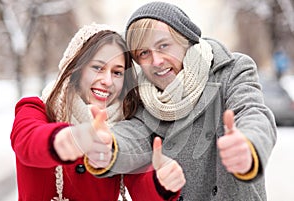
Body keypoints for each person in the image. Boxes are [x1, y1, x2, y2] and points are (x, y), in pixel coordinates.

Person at [84, 2, 277, 201]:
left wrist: (247, 143)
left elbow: (253, 112)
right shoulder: (145, 96)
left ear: (186, 40)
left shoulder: (231, 70)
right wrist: (108, 147)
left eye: (163, 46)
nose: (156, 61)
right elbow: (133, 136)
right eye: (144, 53)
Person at [10, 22, 185, 201]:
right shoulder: (36, 108)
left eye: (117, 72)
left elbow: (141, 187)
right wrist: (66, 139)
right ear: (76, 68)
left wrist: (161, 182)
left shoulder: (125, 129)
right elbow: (27, 141)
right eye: (97, 68)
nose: (107, 81)